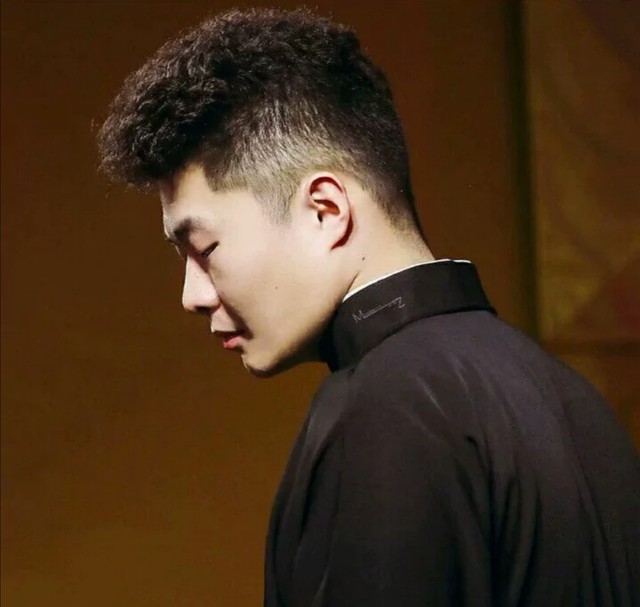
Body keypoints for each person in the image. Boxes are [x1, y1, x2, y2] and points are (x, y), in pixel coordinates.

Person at [97, 8, 640, 606]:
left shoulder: (385, 410)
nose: (192, 296)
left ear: (325, 211)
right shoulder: (575, 402)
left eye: (204, 249)